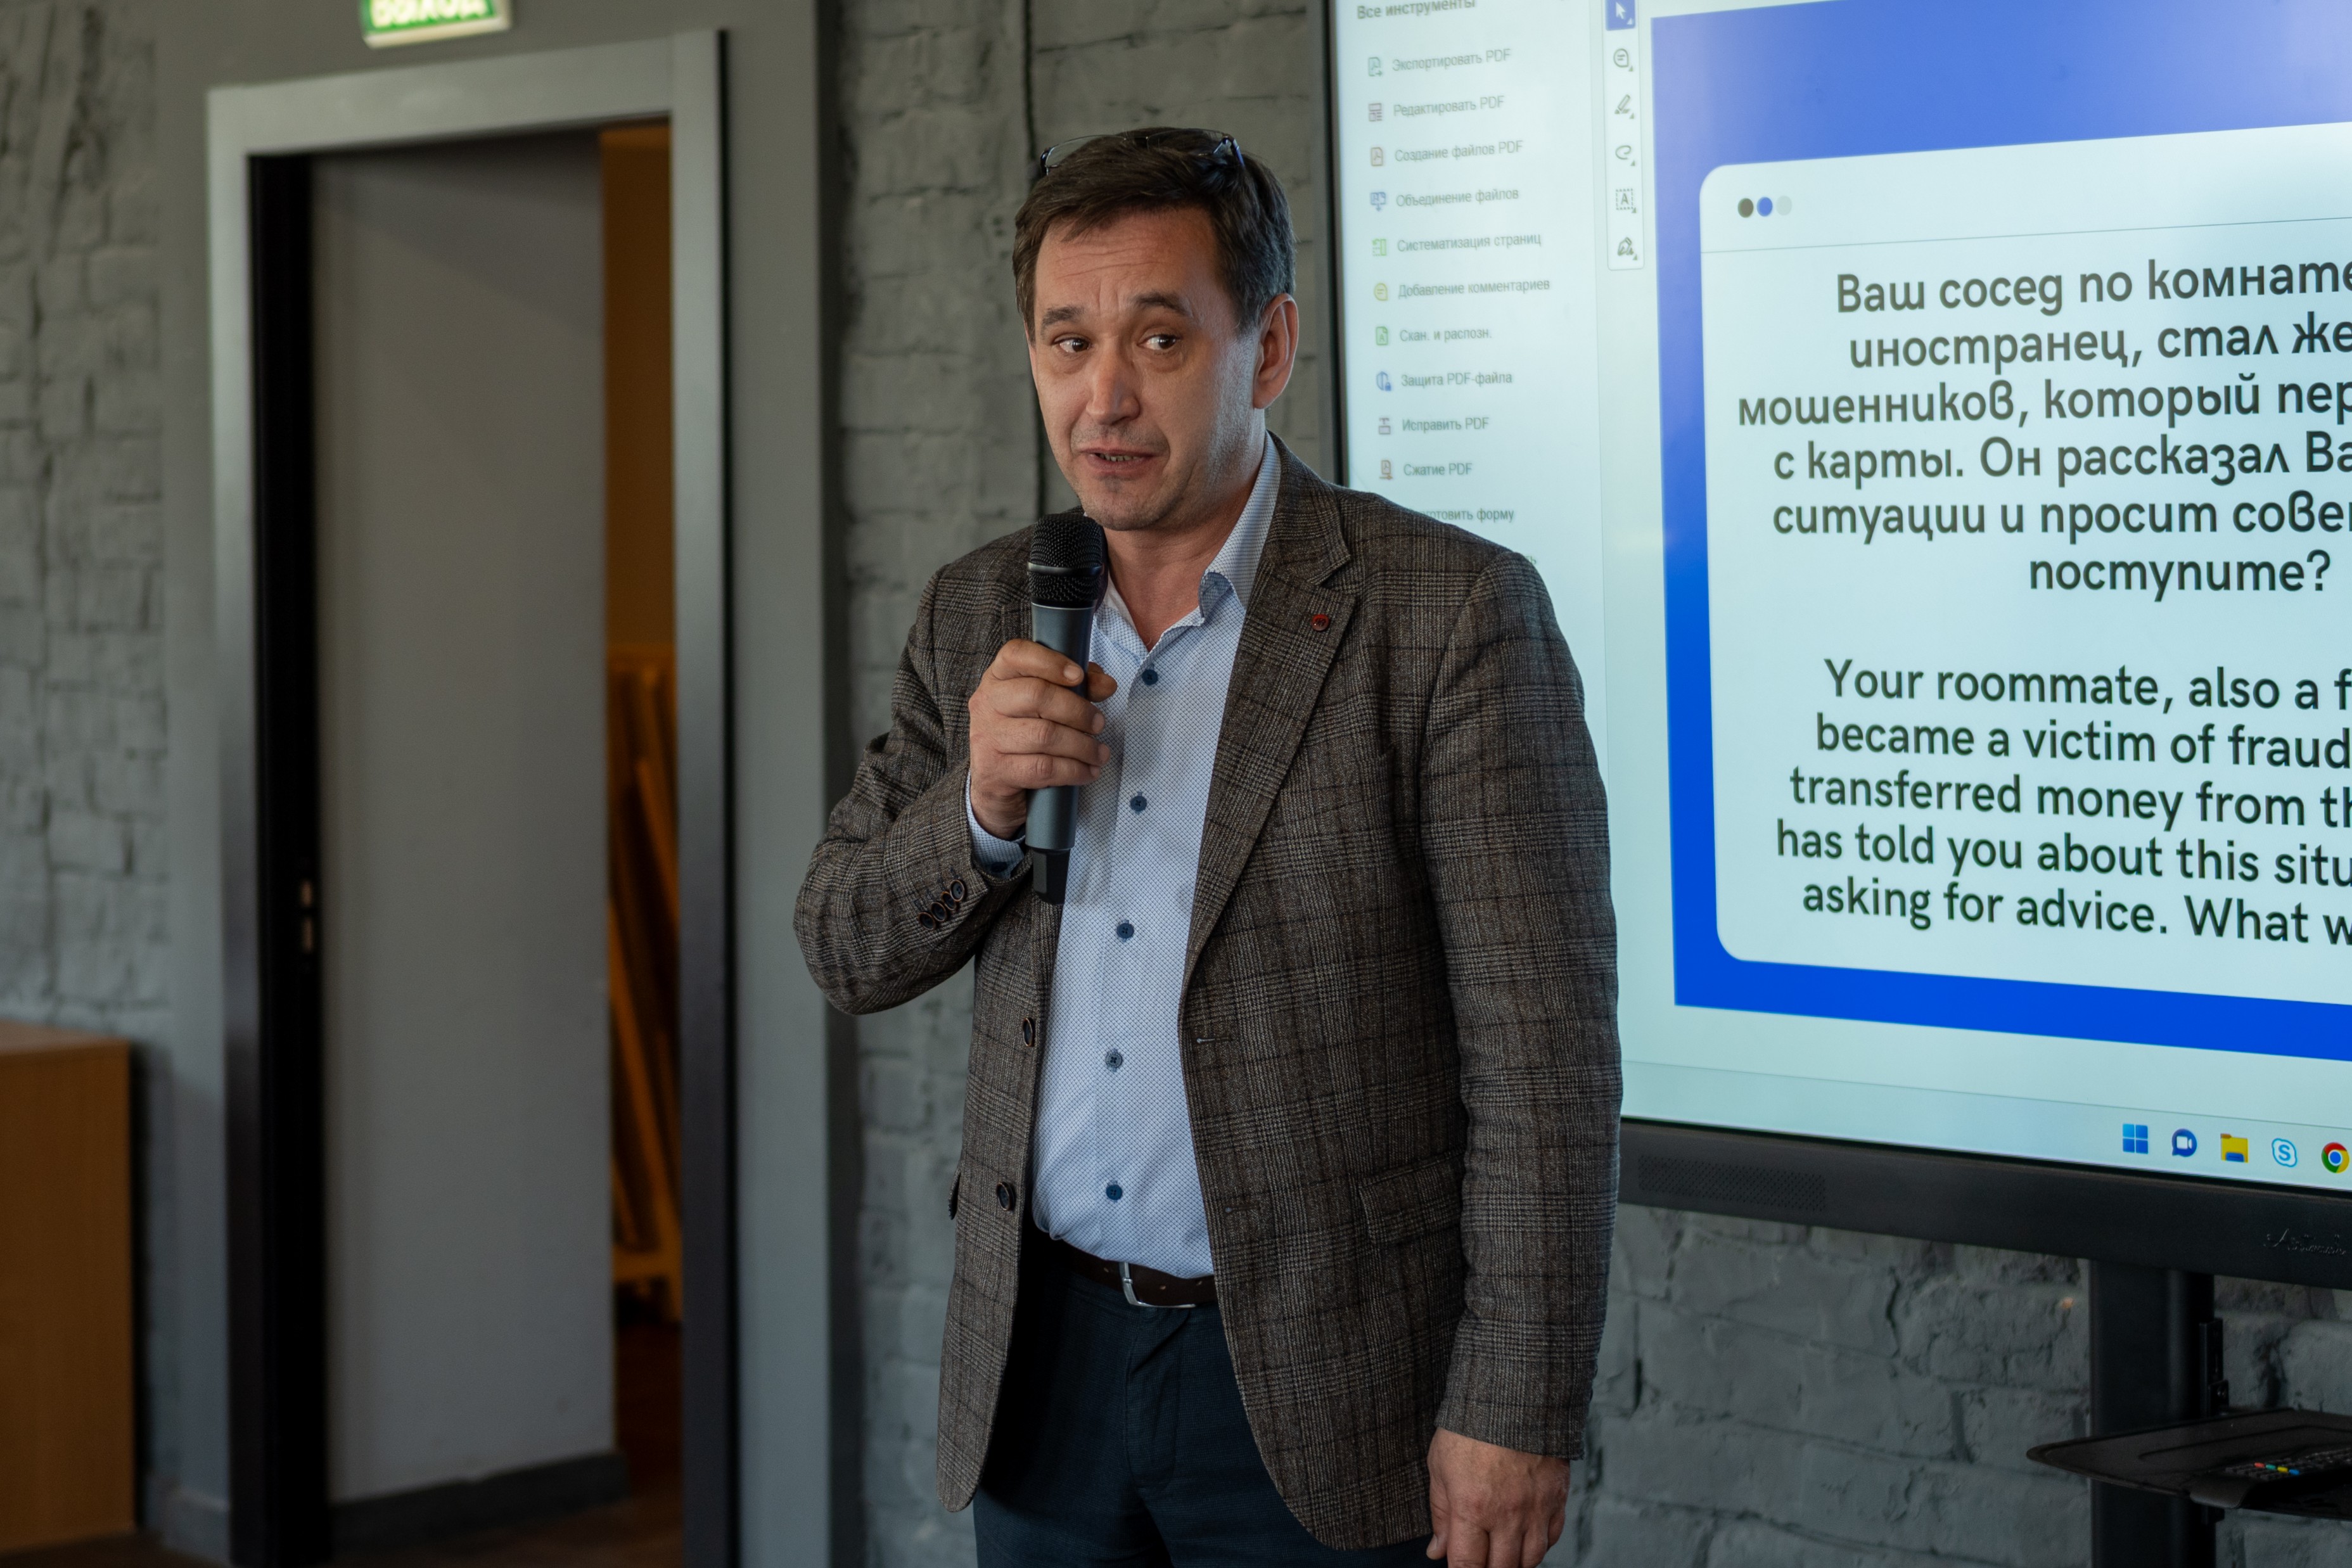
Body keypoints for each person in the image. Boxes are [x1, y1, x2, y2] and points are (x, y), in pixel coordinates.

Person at [795, 127, 1619, 1568]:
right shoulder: (980, 607)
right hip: (1042, 1367)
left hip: (1325, 1375)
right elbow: (842, 943)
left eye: (1160, 338)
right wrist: (981, 808)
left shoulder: (1448, 614)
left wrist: (1514, 1401)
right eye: (1068, 342)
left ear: (1269, 345)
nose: (1104, 396)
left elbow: (1542, 1060)